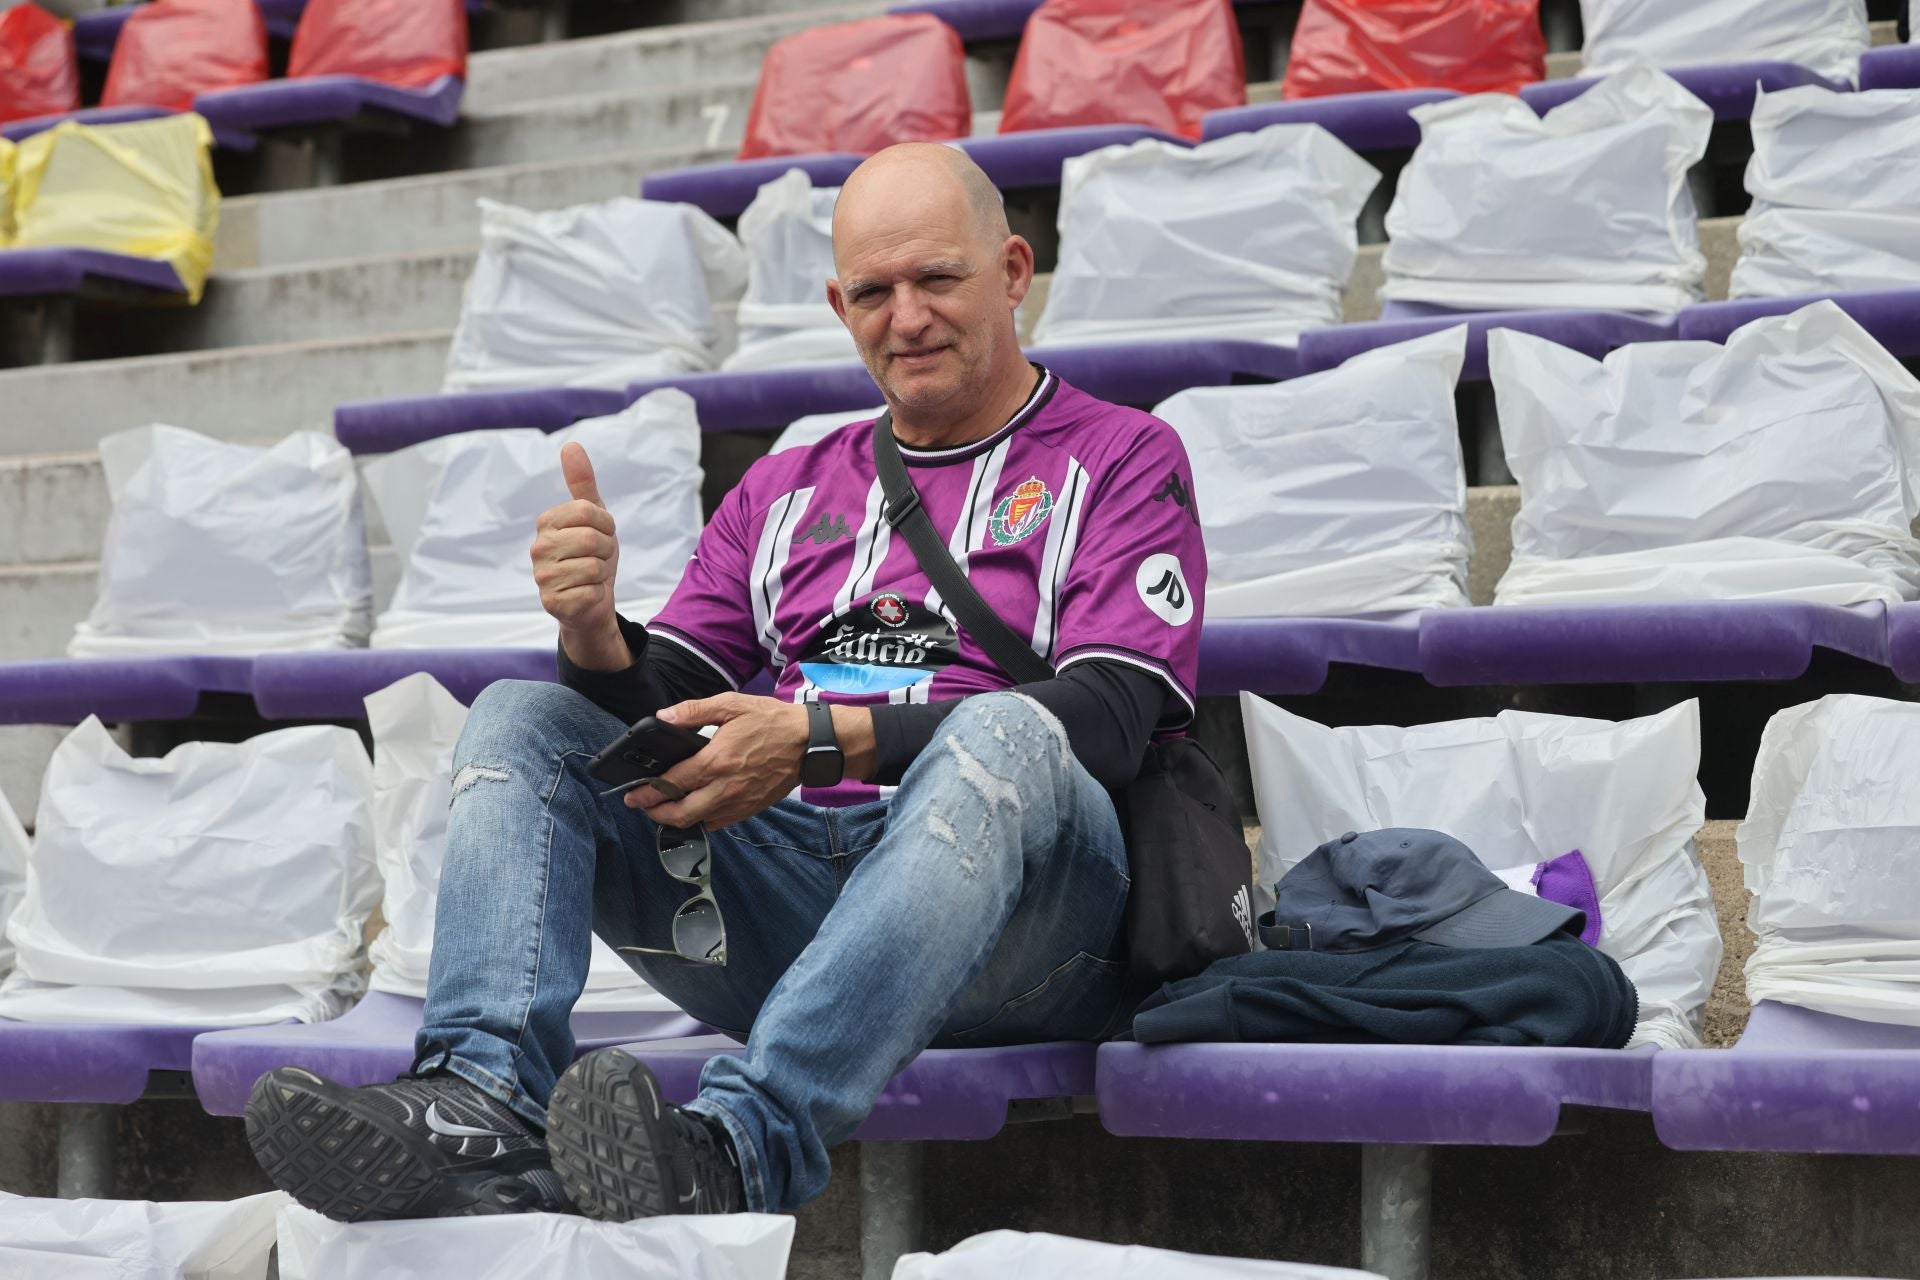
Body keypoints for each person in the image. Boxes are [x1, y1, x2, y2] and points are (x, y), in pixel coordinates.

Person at [245, 142, 1208, 1223]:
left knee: (1005, 735)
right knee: (524, 715)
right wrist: (597, 630)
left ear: (1015, 268)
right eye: (875, 293)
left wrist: (814, 739)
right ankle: (482, 1092)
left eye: (938, 278)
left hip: (1028, 928)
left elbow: (1115, 719)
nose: (908, 317)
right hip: (797, 899)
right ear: (839, 304)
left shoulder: (1124, 456)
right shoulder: (787, 485)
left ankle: (744, 1140)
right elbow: (665, 701)